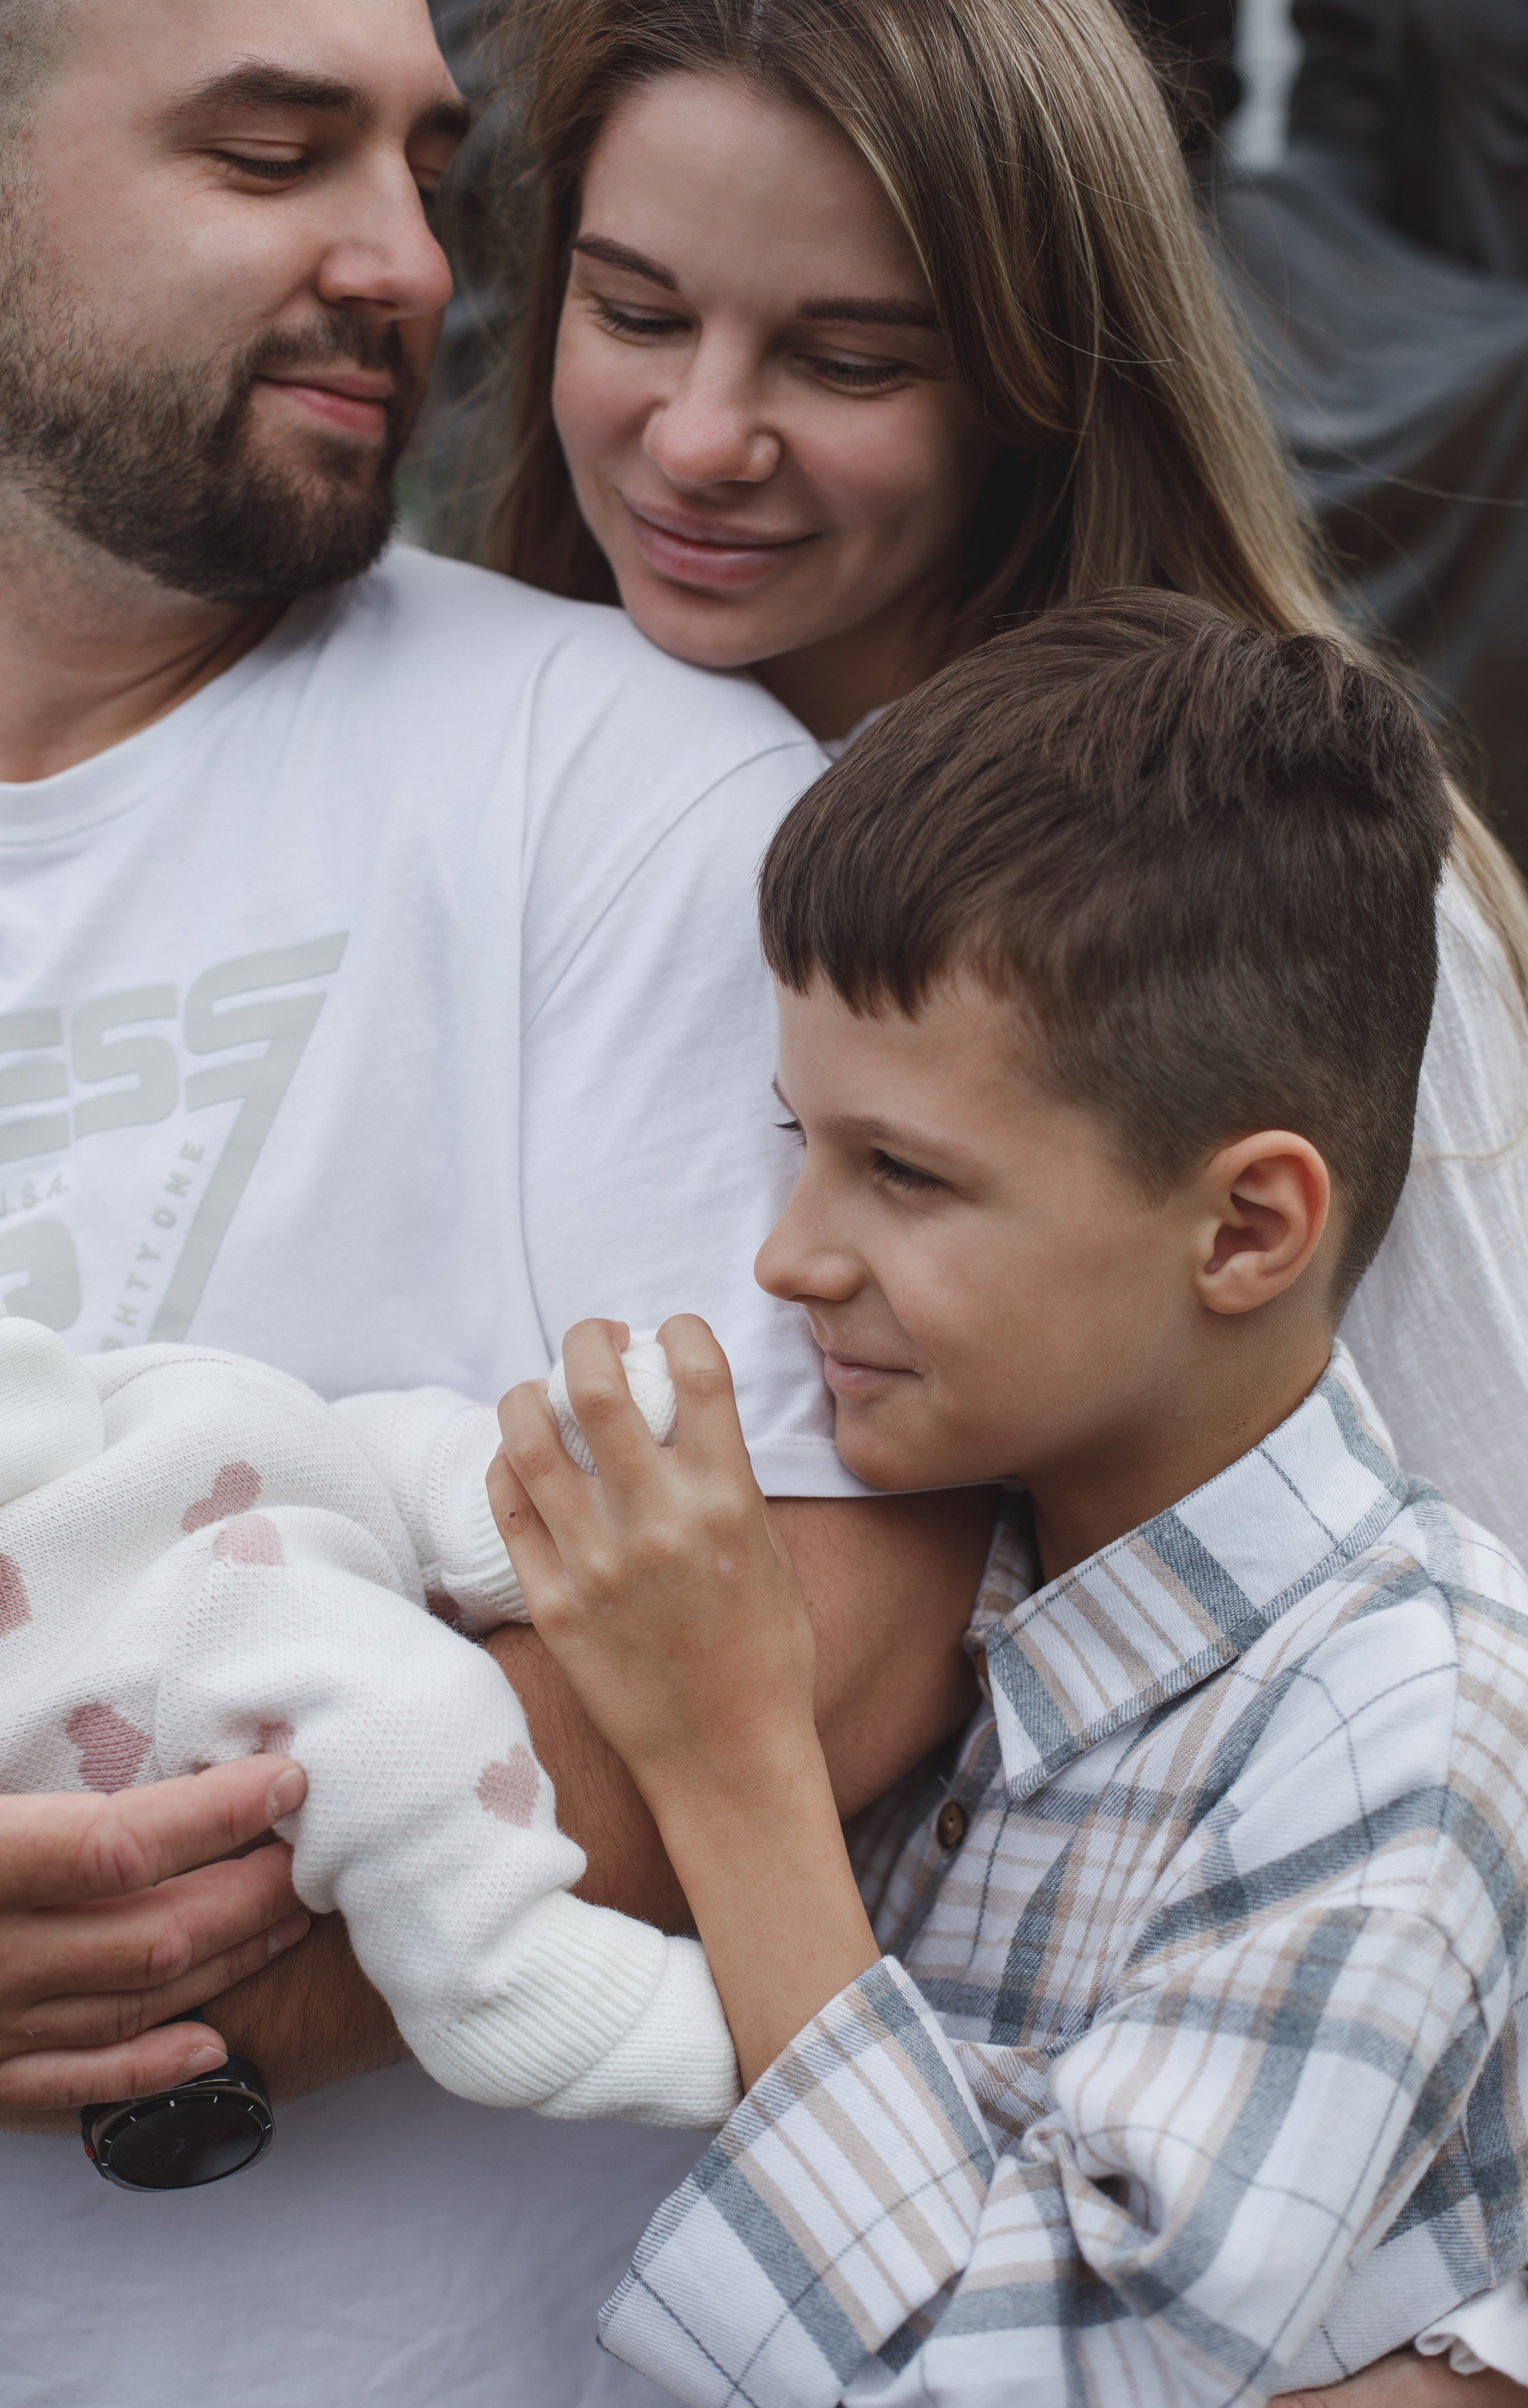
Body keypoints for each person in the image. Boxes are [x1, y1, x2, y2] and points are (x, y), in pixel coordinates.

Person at [0, 1, 987, 2400]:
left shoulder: (626, 786)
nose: (414, 264)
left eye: (431, 174)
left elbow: (841, 1602)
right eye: (272, 155)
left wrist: (160, 1988)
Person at [494, 595, 1528, 2408]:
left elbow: (1047, 2379)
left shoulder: (1409, 1704)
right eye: (799, 1142)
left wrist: (730, 1764)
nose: (788, 1258)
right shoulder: (965, 1592)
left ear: (1246, 1228)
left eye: (903, 1177)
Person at [464, 0, 1528, 1674]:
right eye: (637, 310)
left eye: (850, 359)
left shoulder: (1251, 867)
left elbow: (1524, 1600)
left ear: (1042, 372)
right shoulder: (497, 756)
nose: (702, 441)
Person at [0, 1310, 739, 2130]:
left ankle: (509, 1497)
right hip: (80, 1630)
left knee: (353, 1451)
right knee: (350, 1674)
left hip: (173, 1446)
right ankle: (491, 1966)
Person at [1209, 0, 1528, 1069]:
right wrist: (1290, 216)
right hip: (1436, 320)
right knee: (1231, 247)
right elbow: (1343, 126)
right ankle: (1336, 788)